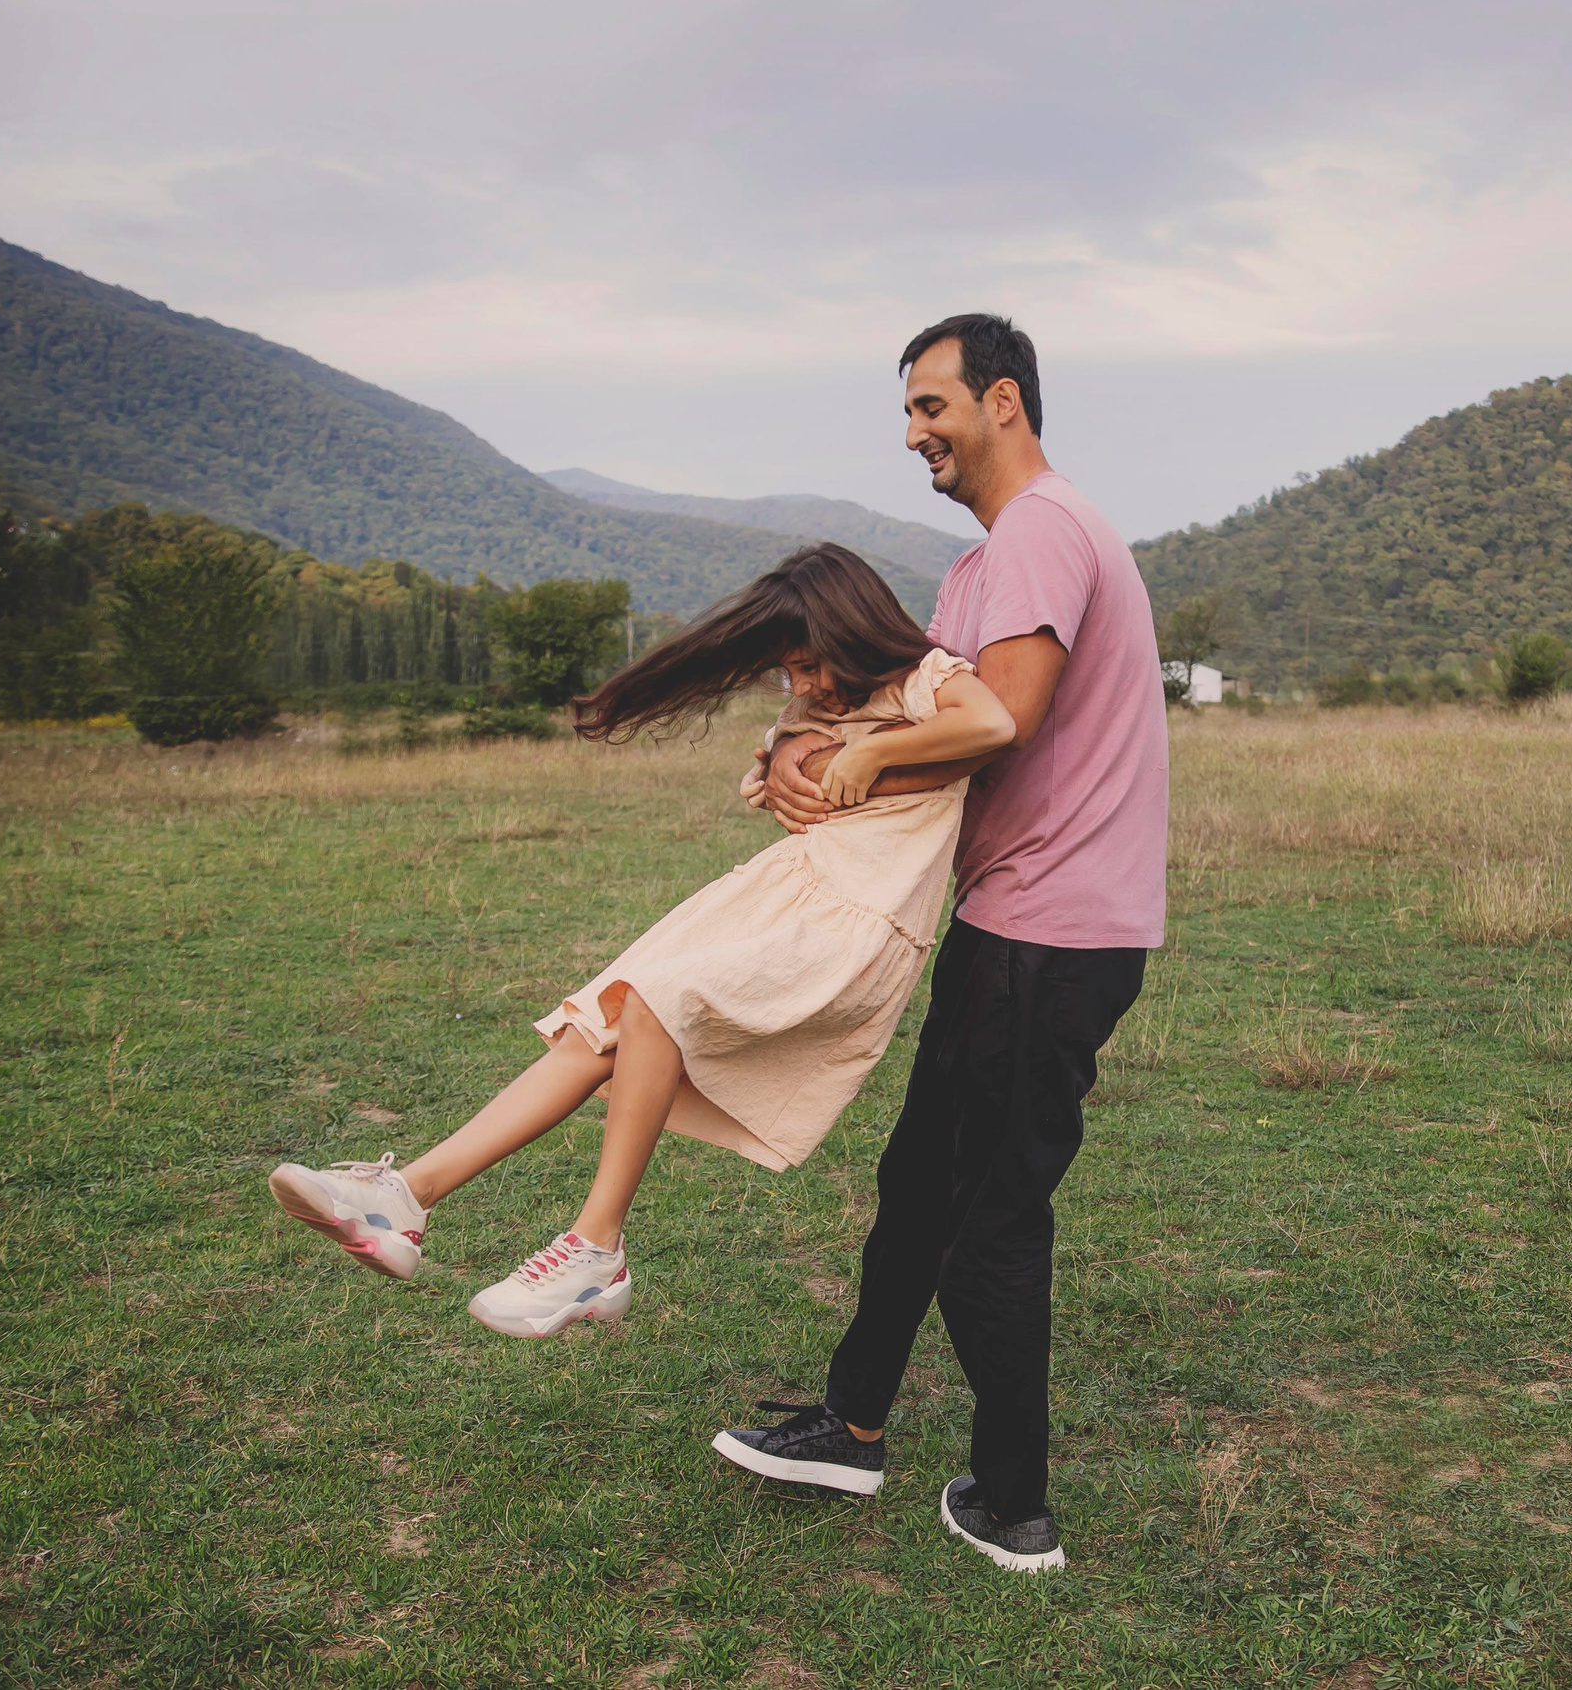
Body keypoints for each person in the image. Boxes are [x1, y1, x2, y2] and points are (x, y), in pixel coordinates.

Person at [265, 545, 1014, 1339]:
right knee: (600, 1023)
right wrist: (786, 755)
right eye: (788, 671)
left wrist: (870, 749)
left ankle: (596, 1248)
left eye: (807, 664)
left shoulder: (923, 678)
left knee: (658, 1003)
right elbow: (784, 768)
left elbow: (995, 721)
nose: (802, 685)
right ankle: (404, 1199)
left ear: (853, 630)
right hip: (780, 893)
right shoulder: (817, 710)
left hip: (851, 920)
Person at [710, 314, 1167, 1576]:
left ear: (1002, 401)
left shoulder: (1039, 534)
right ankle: (851, 1425)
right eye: (907, 411)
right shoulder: (985, 566)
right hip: (1006, 923)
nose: (914, 432)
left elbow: (1003, 718)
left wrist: (852, 764)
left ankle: (1014, 1507)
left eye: (931, 405)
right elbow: (897, 701)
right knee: (918, 1186)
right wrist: (794, 745)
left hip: (1050, 932)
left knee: (991, 1221)